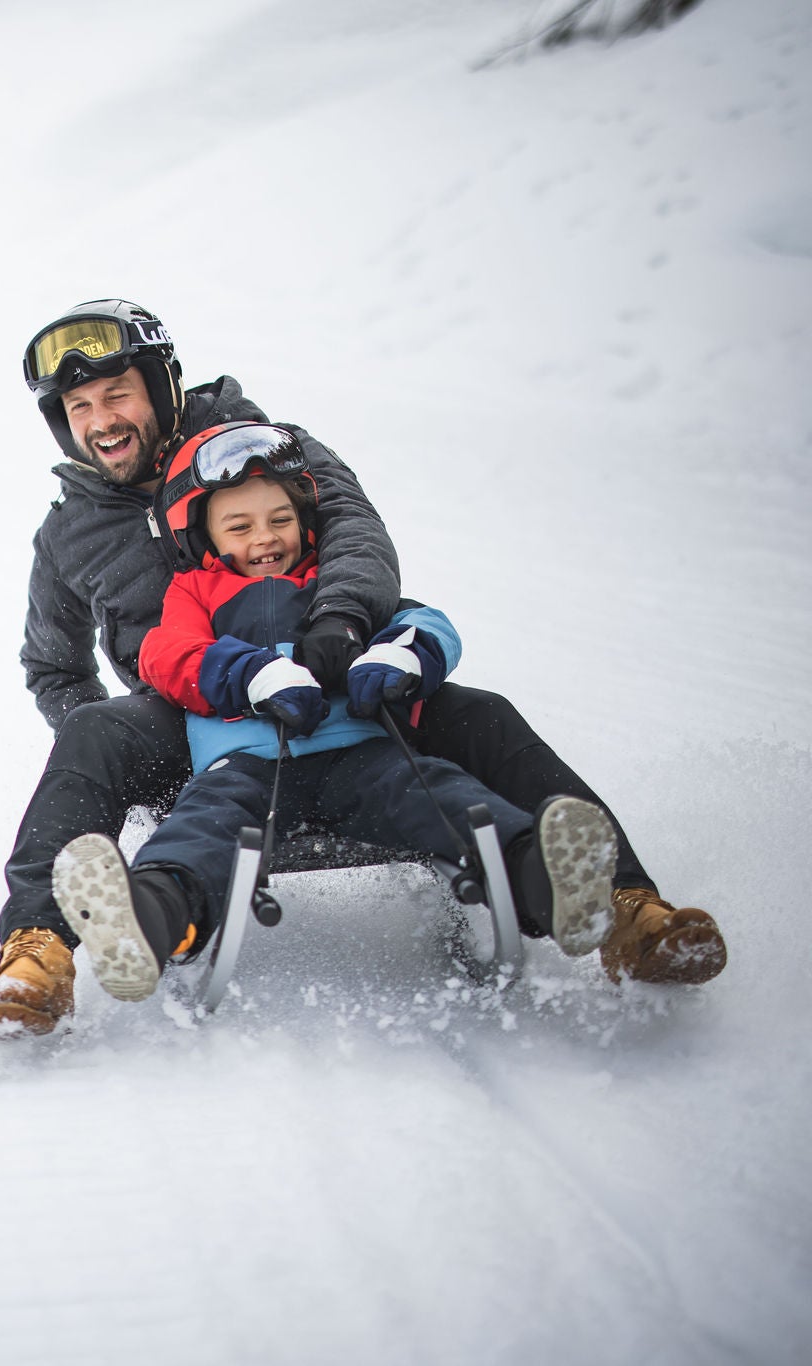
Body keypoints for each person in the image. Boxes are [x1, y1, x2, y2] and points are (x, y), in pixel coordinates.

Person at [0, 301, 724, 1037]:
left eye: (118, 395)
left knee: (479, 714)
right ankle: (38, 954)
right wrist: (143, 754)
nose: (102, 419)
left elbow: (359, 538)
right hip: (201, 714)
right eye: (81, 406)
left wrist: (345, 626)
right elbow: (53, 664)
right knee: (94, 730)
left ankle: (625, 909)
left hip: (348, 679)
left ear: (160, 388)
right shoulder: (69, 531)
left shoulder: (271, 451)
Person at [48, 422, 616, 1003]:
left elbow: (426, 622)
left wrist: (400, 659)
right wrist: (248, 674)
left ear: (303, 522)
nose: (264, 538)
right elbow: (167, 655)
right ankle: (150, 920)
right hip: (244, 766)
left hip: (362, 755)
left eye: (279, 521)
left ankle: (546, 878)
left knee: (441, 794)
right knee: (197, 832)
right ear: (208, 538)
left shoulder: (331, 584)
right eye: (239, 527)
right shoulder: (195, 593)